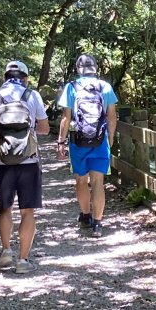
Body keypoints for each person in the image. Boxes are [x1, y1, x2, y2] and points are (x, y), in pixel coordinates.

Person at [0, 60, 49, 274]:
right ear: (25, 78)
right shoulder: (32, 95)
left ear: (5, 77)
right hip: (29, 160)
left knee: (5, 207)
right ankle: (23, 260)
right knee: (27, 210)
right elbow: (45, 129)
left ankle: (6, 250)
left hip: (2, 161)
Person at [56, 54, 118, 237]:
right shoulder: (105, 87)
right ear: (95, 69)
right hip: (100, 140)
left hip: (78, 140)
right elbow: (112, 116)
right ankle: (98, 224)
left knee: (81, 180)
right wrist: (111, 138)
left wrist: (61, 140)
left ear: (78, 69)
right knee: (98, 181)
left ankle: (85, 216)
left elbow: (66, 118)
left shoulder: (71, 87)